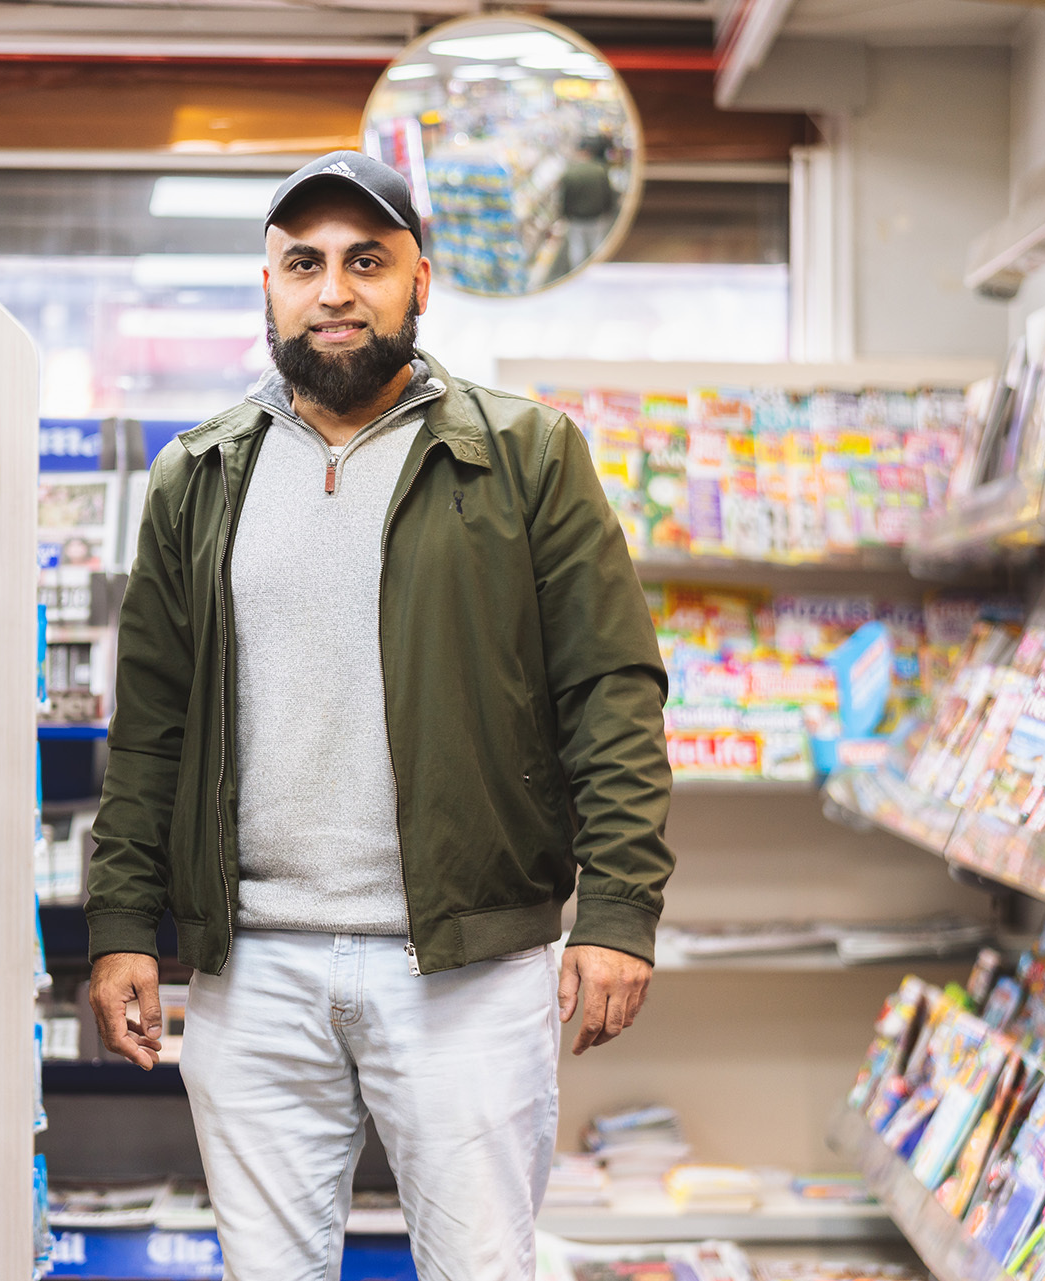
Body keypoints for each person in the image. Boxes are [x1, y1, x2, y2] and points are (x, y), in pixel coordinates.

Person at [84, 149, 673, 1279]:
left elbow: (609, 689)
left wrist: (619, 910)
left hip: (463, 968)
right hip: (252, 970)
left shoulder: (524, 456)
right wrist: (121, 926)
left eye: (367, 260)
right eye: (303, 263)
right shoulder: (197, 476)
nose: (335, 290)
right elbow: (151, 721)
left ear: (421, 281)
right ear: (269, 286)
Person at [560, 135, 619, 270]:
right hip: (597, 216)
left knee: (577, 248)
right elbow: (608, 193)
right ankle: (598, 271)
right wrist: (608, 211)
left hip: (577, 218)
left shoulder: (570, 172)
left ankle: (577, 274)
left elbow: (566, 198)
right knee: (597, 246)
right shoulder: (600, 170)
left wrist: (565, 214)